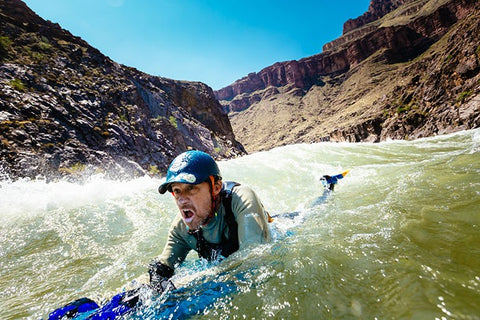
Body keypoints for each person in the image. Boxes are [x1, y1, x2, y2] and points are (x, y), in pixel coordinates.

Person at [148, 150, 272, 292]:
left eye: (191, 188)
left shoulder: (241, 199)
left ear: (216, 187)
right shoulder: (181, 228)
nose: (182, 200)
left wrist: (186, 283)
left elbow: (255, 255)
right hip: (222, 269)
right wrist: (151, 286)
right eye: (177, 191)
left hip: (286, 229)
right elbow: (162, 266)